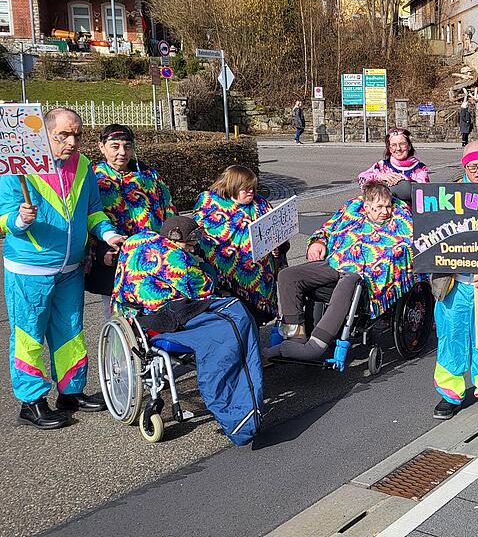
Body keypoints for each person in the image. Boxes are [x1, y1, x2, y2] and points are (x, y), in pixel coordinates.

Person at [0, 108, 125, 429]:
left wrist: (108, 234)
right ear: (44, 134)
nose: (72, 141)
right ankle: (31, 402)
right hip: (30, 268)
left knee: (70, 332)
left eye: (78, 134)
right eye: (64, 135)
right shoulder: (18, 169)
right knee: (29, 335)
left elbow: (93, 211)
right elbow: (3, 217)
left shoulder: (83, 165)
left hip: (70, 267)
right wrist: (18, 220)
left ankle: (71, 392)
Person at [112, 215, 264, 446]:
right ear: (178, 240)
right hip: (164, 317)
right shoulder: (175, 258)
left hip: (131, 314)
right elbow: (204, 288)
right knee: (233, 321)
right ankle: (235, 407)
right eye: (191, 243)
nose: (194, 247)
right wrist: (201, 265)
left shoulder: (137, 240)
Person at [270, 182, 419, 362]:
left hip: (366, 274)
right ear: (366, 207)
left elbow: (408, 242)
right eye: (379, 207)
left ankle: (315, 346)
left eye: (388, 206)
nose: (385, 211)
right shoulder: (351, 212)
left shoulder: (399, 217)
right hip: (336, 261)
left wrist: (385, 257)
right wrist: (318, 242)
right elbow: (326, 229)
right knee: (288, 275)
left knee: (348, 284)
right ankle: (296, 336)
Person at [431, 142, 478, 423]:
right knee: (451, 338)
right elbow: (435, 239)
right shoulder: (443, 197)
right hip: (453, 284)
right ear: (463, 166)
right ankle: (451, 394)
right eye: (473, 166)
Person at [86, 124, 176, 319]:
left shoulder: (149, 175)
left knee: (153, 309)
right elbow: (85, 217)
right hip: (114, 256)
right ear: (101, 147)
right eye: (115, 146)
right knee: (117, 315)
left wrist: (173, 240)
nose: (122, 152)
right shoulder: (92, 177)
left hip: (151, 254)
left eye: (127, 146)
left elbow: (168, 208)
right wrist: (99, 250)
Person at [194, 165, 285, 323]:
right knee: (235, 318)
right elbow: (200, 236)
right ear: (232, 186)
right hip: (227, 276)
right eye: (246, 188)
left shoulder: (261, 204)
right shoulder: (210, 204)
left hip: (260, 277)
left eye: (253, 188)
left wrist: (277, 247)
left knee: (257, 318)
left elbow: (276, 230)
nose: (251, 191)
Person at [357, 128, 429, 201]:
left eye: (402, 144)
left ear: (409, 146)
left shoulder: (420, 167)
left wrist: (404, 179)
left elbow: (424, 190)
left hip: (410, 210)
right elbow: (361, 178)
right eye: (393, 145)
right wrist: (380, 176)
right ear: (389, 149)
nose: (398, 148)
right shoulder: (382, 165)